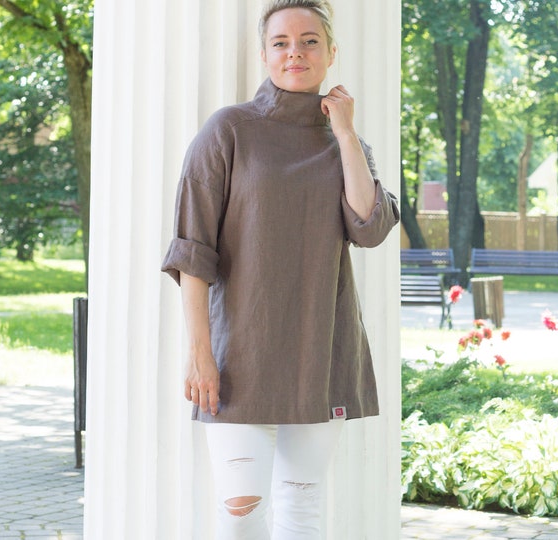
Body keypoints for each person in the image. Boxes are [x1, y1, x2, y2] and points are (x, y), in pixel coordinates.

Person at [161, 1, 400, 538]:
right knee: (240, 514)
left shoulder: (348, 144)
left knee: (301, 514)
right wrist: (200, 353)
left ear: (331, 53)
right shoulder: (228, 130)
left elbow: (369, 227)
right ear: (264, 53)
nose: (296, 52)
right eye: (281, 42)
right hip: (239, 356)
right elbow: (192, 251)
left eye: (310, 41)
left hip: (322, 348)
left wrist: (344, 133)